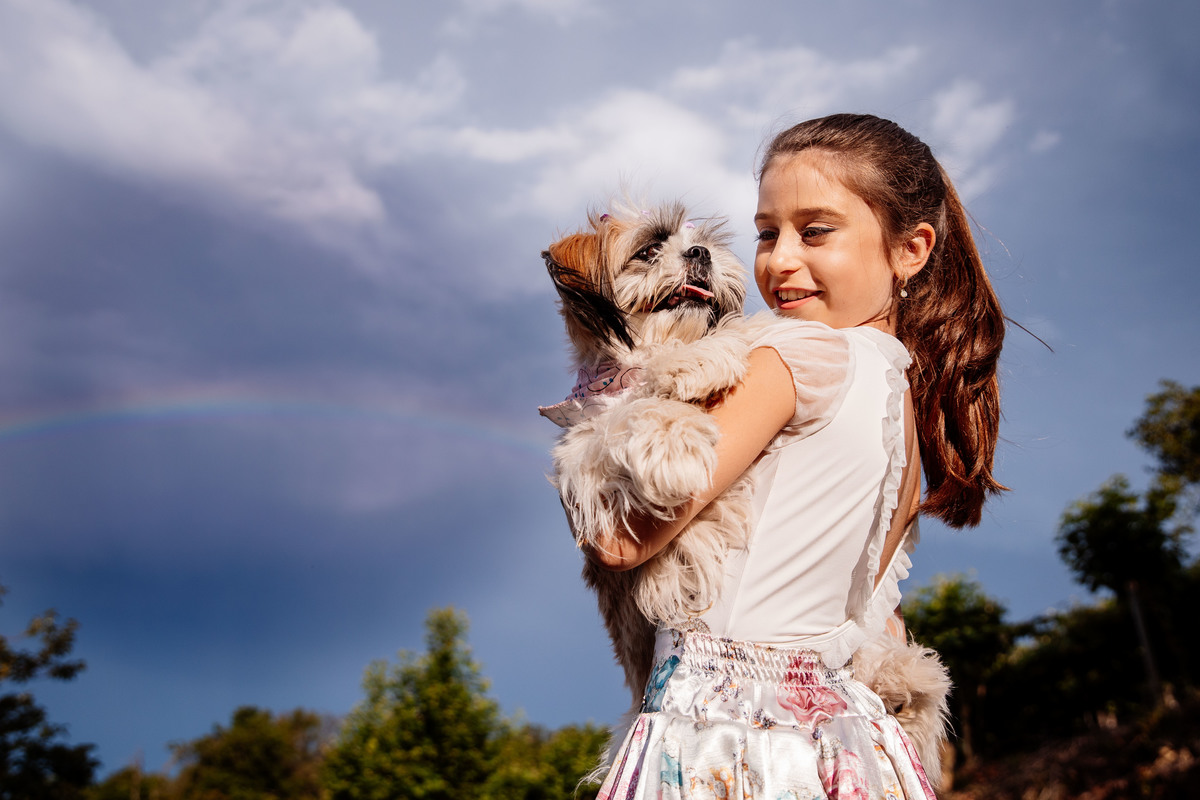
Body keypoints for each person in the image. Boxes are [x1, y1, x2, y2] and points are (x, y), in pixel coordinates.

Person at [583, 114, 1005, 799]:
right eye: (766, 233)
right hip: (852, 748)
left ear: (912, 249)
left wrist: (604, 421)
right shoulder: (902, 399)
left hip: (730, 741)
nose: (779, 260)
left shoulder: (787, 357)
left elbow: (619, 542)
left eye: (815, 231)